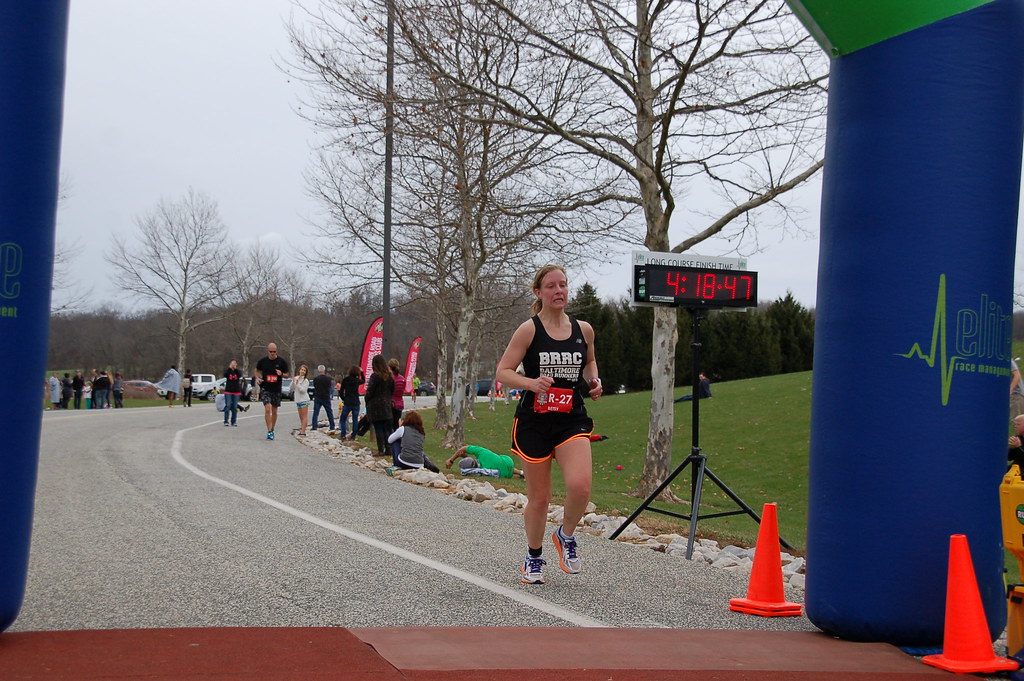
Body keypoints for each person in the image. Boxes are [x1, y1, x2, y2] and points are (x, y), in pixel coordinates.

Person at [496, 264, 602, 585]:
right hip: (535, 422)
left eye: (563, 285)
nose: (559, 291)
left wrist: (594, 381)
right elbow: (504, 372)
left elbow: (590, 362)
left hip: (571, 418)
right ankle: (533, 556)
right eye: (552, 286)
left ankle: (565, 535)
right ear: (539, 293)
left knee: (581, 487)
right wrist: (531, 383)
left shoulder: (583, 329)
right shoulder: (529, 330)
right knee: (540, 498)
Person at [255, 343, 289, 440]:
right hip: (265, 388)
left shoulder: (281, 361)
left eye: (274, 352)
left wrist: (281, 374)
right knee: (267, 408)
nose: (273, 353)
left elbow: (287, 375)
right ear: (268, 351)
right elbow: (257, 370)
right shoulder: (263, 361)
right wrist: (258, 378)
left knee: (274, 410)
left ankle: (272, 428)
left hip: (276, 389)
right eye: (271, 352)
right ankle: (269, 431)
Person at [365, 354, 395, 456]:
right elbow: (392, 391)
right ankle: (389, 449)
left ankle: (381, 450)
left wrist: (367, 400)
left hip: (376, 406)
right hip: (387, 405)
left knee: (379, 429)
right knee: (388, 429)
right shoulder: (390, 377)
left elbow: (370, 392)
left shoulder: (375, 377)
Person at [445, 444, 524, 479]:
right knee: (501, 462)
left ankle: (519, 476)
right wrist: (451, 460)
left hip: (503, 474)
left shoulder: (482, 470)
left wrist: (464, 457)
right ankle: (521, 472)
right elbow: (463, 448)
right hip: (508, 461)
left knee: (504, 472)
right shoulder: (481, 452)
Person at [337, 365, 362, 441]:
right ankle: (353, 435)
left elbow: (341, 391)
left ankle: (343, 434)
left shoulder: (345, 380)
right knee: (355, 420)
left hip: (347, 402)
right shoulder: (357, 380)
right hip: (355, 402)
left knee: (343, 419)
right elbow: (363, 381)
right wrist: (362, 373)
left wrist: (344, 398)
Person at [311, 365, 335, 432]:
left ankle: (314, 426)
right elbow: (330, 387)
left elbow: (315, 386)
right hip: (326, 397)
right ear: (324, 371)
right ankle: (332, 426)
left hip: (318, 396)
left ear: (318, 371)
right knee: (329, 412)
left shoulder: (316, 379)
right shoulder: (329, 379)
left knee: (316, 412)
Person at [222, 359, 245, 427]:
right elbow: (225, 375)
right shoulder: (228, 371)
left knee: (235, 407)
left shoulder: (238, 371)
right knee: (228, 405)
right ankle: (226, 421)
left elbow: (239, 375)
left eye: (234, 363)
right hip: (228, 391)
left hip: (236, 391)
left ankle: (233, 421)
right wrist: (230, 368)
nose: (233, 365)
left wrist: (235, 369)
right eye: (232, 363)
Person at [293, 364, 311, 436]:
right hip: (298, 400)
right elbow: (292, 388)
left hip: (304, 400)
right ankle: (302, 428)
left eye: (304, 370)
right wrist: (294, 381)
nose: (302, 371)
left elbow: (303, 390)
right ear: (299, 370)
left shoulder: (305, 381)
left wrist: (297, 384)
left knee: (304, 416)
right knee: (300, 416)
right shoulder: (296, 378)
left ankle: (303, 431)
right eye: (301, 369)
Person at [389, 358, 406, 430]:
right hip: (400, 404)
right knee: (396, 425)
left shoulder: (390, 378)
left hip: (392, 403)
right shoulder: (402, 379)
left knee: (390, 426)